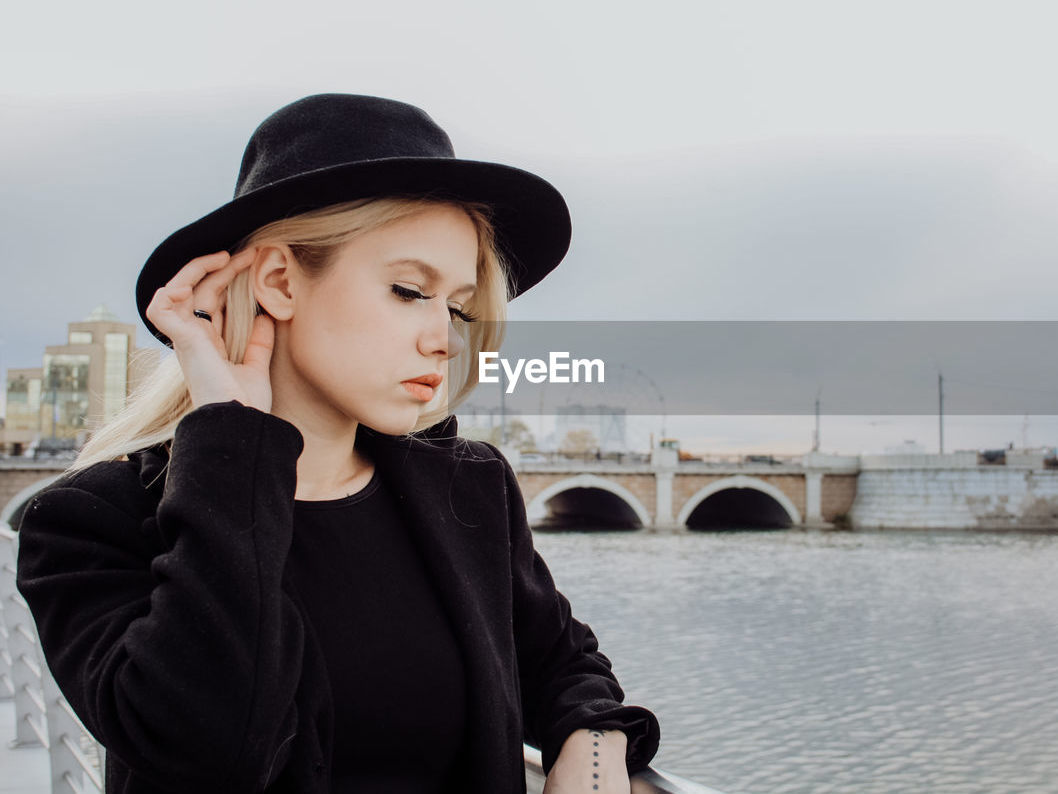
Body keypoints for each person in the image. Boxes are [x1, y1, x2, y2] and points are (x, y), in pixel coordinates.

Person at [16, 93, 659, 793]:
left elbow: (566, 667)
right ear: (279, 281)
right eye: (409, 290)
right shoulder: (93, 523)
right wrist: (232, 440)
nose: (443, 338)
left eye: (458, 306)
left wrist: (592, 751)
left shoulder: (468, 491)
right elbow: (205, 744)